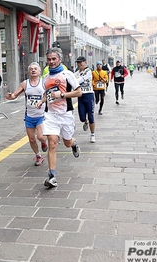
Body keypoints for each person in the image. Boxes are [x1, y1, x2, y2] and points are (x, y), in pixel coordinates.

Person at [36, 47, 82, 188]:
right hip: (50, 115)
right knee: (52, 143)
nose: (51, 62)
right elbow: (47, 93)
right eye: (49, 59)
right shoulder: (46, 77)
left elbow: (79, 92)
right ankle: (52, 176)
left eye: (54, 59)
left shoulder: (67, 74)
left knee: (67, 142)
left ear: (60, 60)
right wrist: (42, 100)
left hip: (66, 114)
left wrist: (62, 95)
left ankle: (74, 144)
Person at [6, 62, 48, 166]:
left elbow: (48, 95)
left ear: (39, 72)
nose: (33, 70)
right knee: (32, 139)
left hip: (41, 115)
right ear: (28, 72)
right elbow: (16, 94)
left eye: (35, 69)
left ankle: (43, 142)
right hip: (29, 116)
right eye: (31, 69)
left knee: (41, 137)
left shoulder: (44, 83)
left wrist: (42, 101)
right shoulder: (25, 83)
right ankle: (38, 156)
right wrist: (11, 96)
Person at [75, 56, 96, 143]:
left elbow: (79, 80)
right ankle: (85, 121)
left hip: (89, 95)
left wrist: (74, 81)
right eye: (78, 62)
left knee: (91, 116)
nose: (79, 64)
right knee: (82, 117)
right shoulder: (76, 73)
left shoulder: (88, 71)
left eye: (81, 62)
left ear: (85, 62)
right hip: (80, 96)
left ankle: (92, 134)